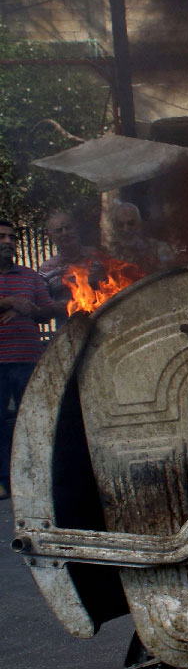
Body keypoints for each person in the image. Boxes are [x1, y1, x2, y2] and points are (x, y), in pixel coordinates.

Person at [0, 219, 55, 500]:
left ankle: (37, 476)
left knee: (32, 419)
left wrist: (30, 308)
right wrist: (9, 302)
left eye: (11, 236)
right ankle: (4, 481)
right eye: (2, 236)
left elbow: (46, 312)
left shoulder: (30, 276)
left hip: (28, 358)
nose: (8, 241)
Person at [37, 210, 109, 326]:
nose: (65, 233)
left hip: (104, 325)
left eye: (68, 228)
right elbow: (43, 308)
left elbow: (115, 288)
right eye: (59, 230)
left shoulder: (97, 257)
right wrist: (58, 307)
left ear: (76, 229)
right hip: (69, 332)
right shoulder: (47, 269)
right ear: (51, 236)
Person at [107, 202, 177, 275]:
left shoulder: (159, 249)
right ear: (115, 228)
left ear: (139, 224)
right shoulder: (111, 255)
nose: (126, 229)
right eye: (120, 225)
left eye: (131, 223)